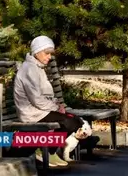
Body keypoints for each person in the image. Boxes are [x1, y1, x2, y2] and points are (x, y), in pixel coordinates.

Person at [13, 35, 86, 167]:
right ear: (36, 52)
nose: (49, 57)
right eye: (46, 53)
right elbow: (37, 99)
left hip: (40, 110)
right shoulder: (29, 69)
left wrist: (56, 104)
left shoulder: (38, 67)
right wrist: (56, 108)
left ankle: (50, 152)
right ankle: (43, 150)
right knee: (69, 122)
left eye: (50, 54)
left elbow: (44, 95)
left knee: (74, 120)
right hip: (32, 113)